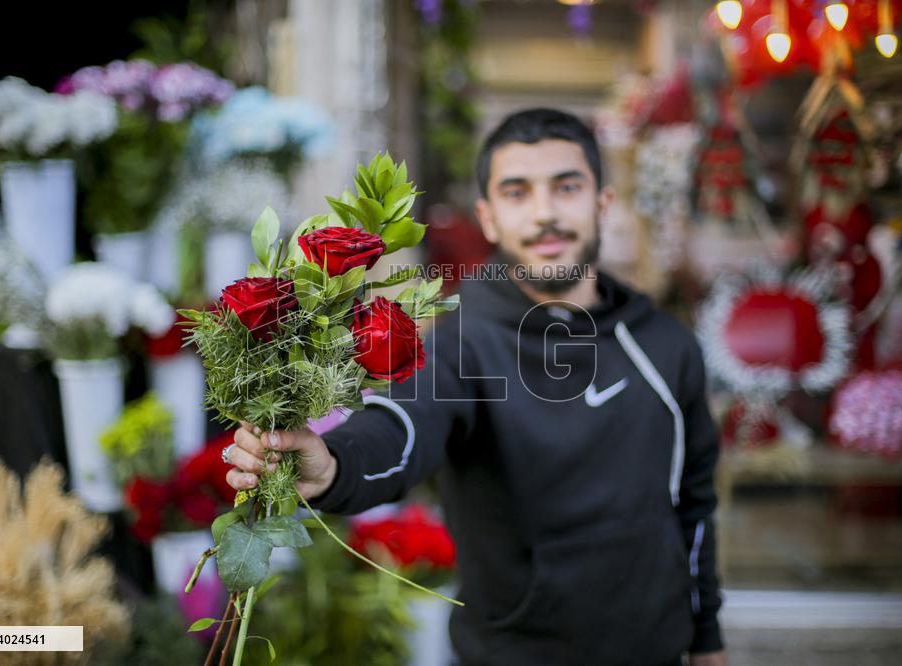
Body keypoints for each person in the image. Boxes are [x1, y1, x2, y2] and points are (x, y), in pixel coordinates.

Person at [223, 108, 728, 666]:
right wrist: (335, 466)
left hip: (654, 651)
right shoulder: (462, 340)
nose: (545, 213)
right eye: (517, 192)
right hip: (512, 654)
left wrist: (706, 638)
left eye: (566, 187)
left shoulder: (665, 345)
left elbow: (694, 504)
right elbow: (404, 422)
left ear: (602, 203)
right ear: (487, 218)